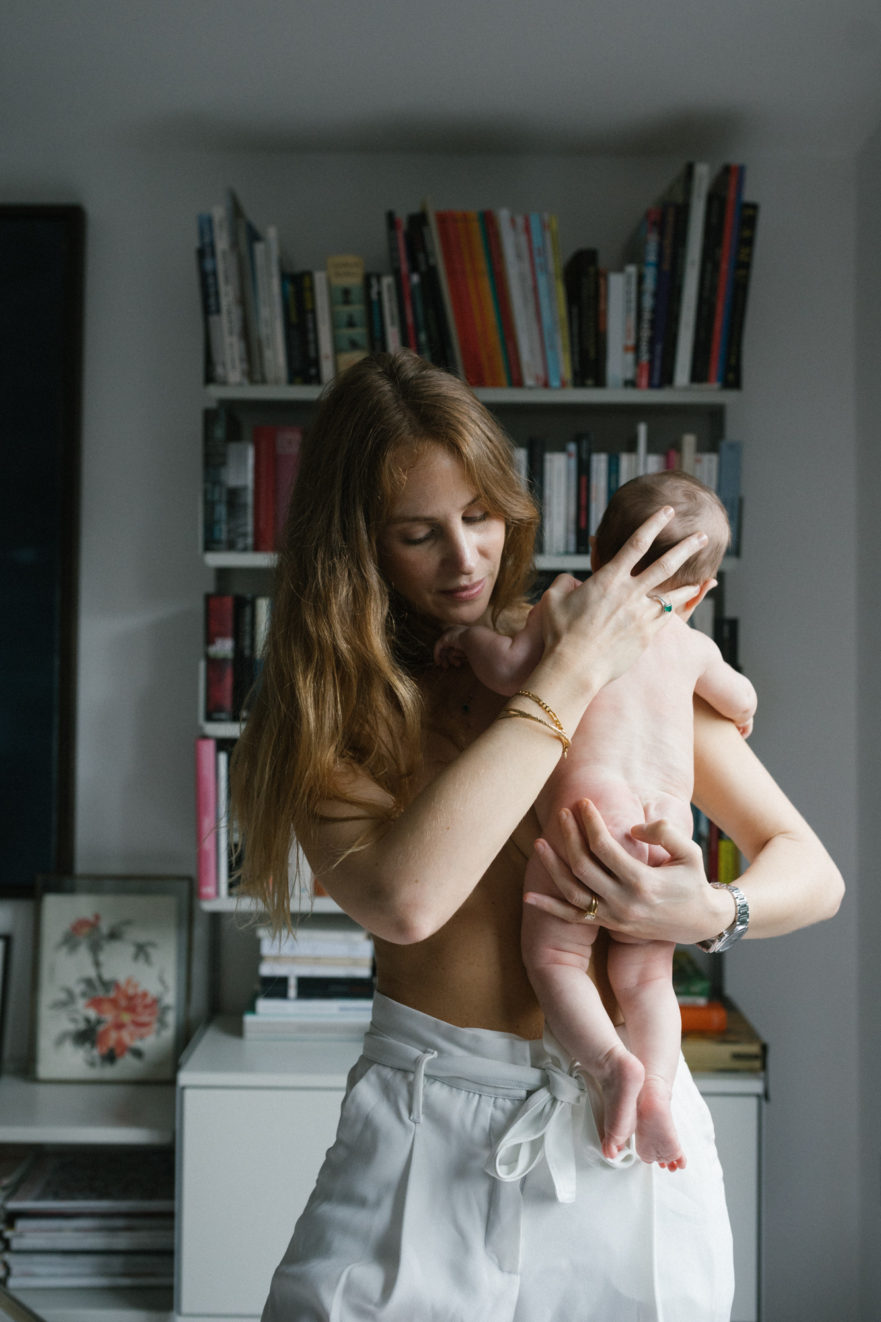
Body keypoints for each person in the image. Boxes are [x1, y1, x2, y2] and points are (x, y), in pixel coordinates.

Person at [230, 350, 842, 1322]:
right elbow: (406, 899)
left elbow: (810, 871)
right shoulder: (327, 710)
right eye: (417, 533)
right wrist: (568, 672)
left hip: (630, 1124)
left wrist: (706, 909)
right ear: (356, 548)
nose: (465, 558)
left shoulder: (619, 649)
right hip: (428, 1121)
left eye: (479, 516)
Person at [433, 471, 757, 1172]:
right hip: (666, 838)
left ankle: (612, 1066)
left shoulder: (563, 605)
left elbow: (508, 671)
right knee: (648, 982)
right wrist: (741, 712)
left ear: (593, 552)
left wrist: (469, 638)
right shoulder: (693, 648)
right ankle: (658, 1092)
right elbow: (739, 697)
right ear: (700, 593)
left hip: (587, 822)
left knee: (554, 960)